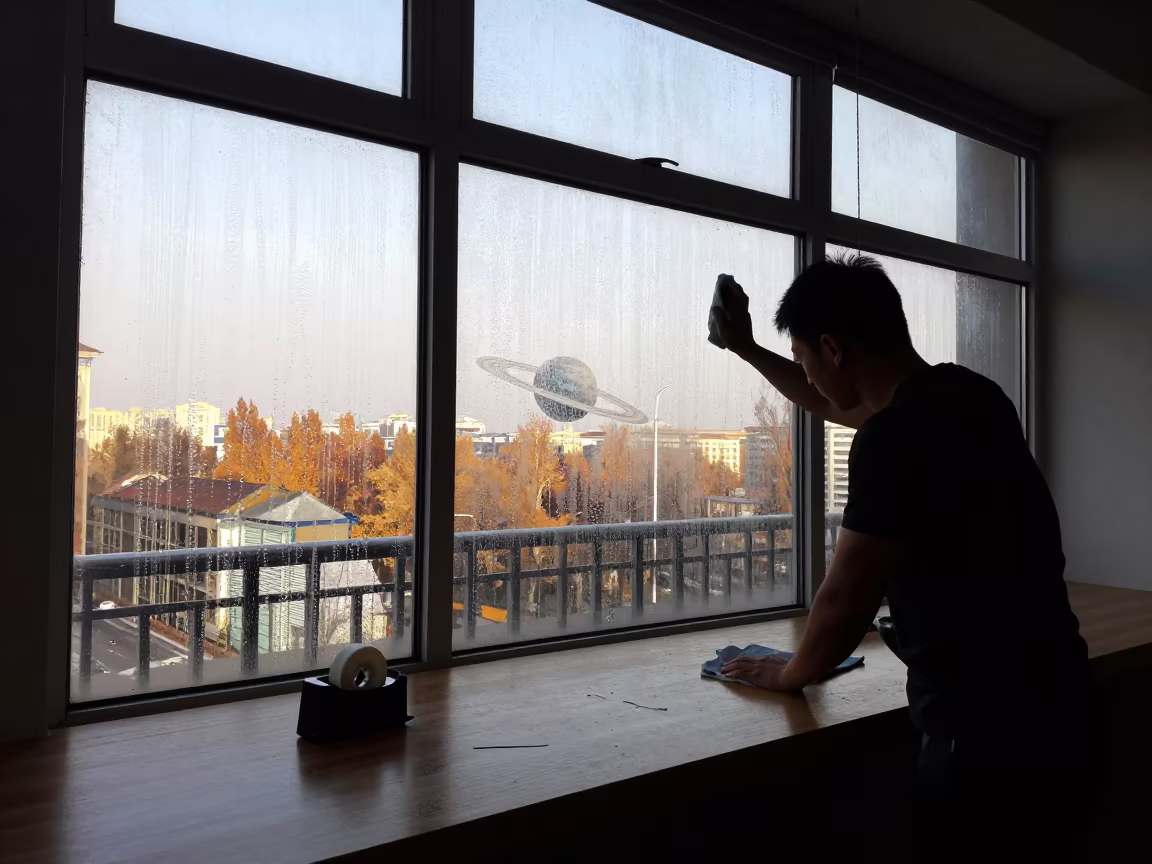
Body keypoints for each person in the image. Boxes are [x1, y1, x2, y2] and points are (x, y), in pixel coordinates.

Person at [711, 253, 1102, 856]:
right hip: (1057, 695)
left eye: (805, 359)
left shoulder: (893, 439)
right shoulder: (974, 395)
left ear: (834, 348)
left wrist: (790, 675)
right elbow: (840, 404)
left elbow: (844, 599)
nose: (807, 376)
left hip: (980, 731)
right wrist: (748, 349)